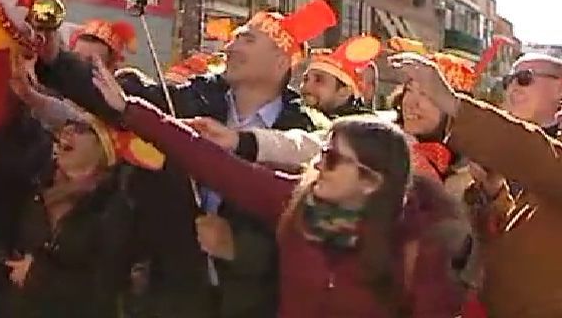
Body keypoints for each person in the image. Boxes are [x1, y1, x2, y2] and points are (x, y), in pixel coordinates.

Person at [91, 58, 464, 317]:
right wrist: (130, 110)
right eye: (323, 154)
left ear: (371, 181)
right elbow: (213, 164)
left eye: (332, 160)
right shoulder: (298, 201)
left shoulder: (417, 245)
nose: (317, 166)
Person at [35, 0, 336, 318]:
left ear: (280, 61)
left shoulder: (305, 135)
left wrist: (239, 247)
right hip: (170, 295)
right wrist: (55, 58)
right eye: (234, 38)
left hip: (253, 303)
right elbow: (118, 101)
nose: (232, 46)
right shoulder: (189, 100)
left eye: (247, 39)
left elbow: (310, 235)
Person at [392, 52, 562, 318]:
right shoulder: (493, 149)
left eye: (525, 79)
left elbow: (538, 157)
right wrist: (493, 194)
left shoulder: (531, 151)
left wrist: (453, 103)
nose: (513, 87)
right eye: (508, 80)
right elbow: (523, 235)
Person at [1, 109, 158, 318]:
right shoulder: (37, 185)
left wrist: (38, 275)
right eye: (68, 125)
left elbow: (105, 287)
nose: (67, 131)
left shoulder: (114, 206)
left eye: (82, 128)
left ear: (104, 147)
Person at [300, 36, 381, 119]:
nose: (307, 86)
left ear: (345, 91)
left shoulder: (364, 129)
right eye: (306, 79)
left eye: (318, 80)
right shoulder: (295, 116)